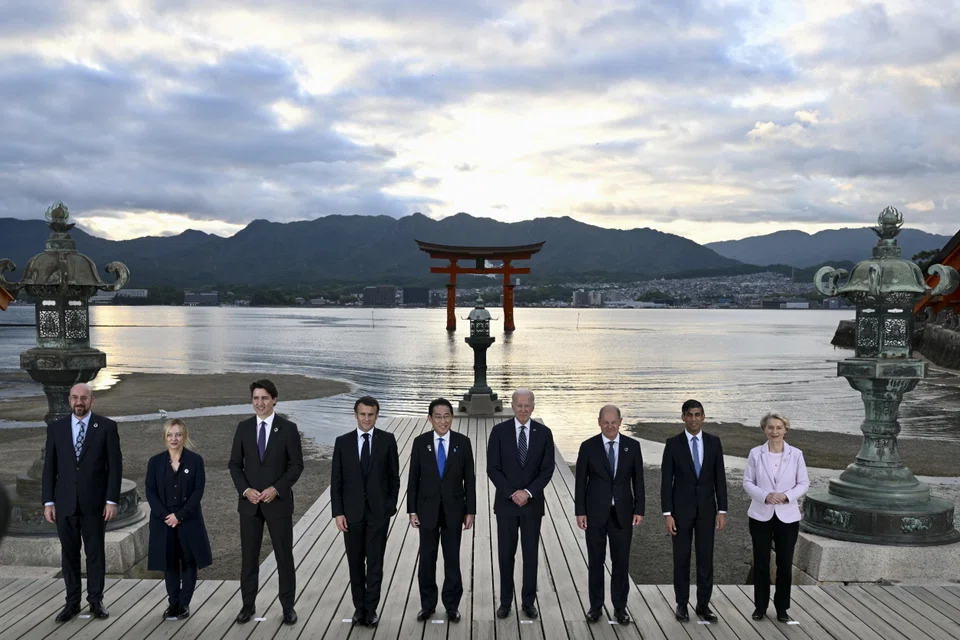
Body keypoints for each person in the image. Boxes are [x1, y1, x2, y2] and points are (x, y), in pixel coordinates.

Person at [41, 382, 122, 623]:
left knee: (95, 553)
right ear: (69, 400)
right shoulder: (56, 429)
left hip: (95, 504)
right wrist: (48, 502)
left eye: (84, 398)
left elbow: (115, 468)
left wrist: (111, 500)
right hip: (64, 503)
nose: (79, 402)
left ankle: (96, 600)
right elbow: (49, 469)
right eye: (75, 398)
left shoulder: (106, 427)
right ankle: (72, 602)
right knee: (69, 554)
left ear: (91, 400)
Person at [229, 379, 304, 625]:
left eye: (264, 398)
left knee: (284, 557)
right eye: (255, 398)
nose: (259, 403)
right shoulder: (243, 428)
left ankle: (288, 607)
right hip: (249, 505)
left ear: (274, 399)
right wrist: (245, 490)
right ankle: (247, 606)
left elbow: (296, 466)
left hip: (278, 504)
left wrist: (277, 489)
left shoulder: (288, 429)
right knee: (249, 558)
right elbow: (234, 465)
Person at [331, 396, 400, 627]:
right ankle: (359, 608)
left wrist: (390, 507)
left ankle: (371, 609)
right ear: (356, 415)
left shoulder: (388, 440)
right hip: (352, 515)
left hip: (379, 514)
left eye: (371, 414)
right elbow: (336, 481)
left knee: (375, 563)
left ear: (377, 415)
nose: (367, 419)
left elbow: (394, 478)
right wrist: (338, 512)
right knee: (355, 563)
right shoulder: (343, 442)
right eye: (363, 414)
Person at [487, 388, 555, 619]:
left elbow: (547, 469)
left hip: (532, 505)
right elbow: (492, 468)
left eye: (527, 405)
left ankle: (528, 602)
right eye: (519, 405)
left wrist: (527, 492)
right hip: (506, 505)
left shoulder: (544, 433)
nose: (523, 410)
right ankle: (505, 602)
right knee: (506, 555)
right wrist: (512, 493)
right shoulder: (498, 432)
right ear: (512, 406)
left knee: (530, 555)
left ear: (533, 406)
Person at [408, 398, 477, 623]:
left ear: (452, 417)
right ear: (430, 419)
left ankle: (451, 605)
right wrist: (412, 510)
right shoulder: (420, 443)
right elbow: (413, 480)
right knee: (427, 559)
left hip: (454, 511)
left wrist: (471, 511)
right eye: (437, 417)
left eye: (447, 416)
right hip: (426, 510)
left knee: (452, 560)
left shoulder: (463, 442)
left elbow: (470, 480)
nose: (443, 421)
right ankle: (427, 605)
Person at [575, 405, 645, 624]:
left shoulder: (632, 446)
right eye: (605, 422)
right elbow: (580, 482)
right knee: (595, 561)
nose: (610, 426)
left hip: (622, 514)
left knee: (621, 563)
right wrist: (580, 511)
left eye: (613, 422)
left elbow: (639, 481)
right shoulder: (588, 447)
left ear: (620, 422)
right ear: (599, 422)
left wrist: (639, 509)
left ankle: (620, 608)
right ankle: (595, 607)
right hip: (595, 513)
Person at [660, 399, 727, 623]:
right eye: (690, 414)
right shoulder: (673, 444)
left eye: (698, 414)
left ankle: (703, 604)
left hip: (707, 511)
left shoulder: (714, 442)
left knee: (705, 559)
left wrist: (722, 509)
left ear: (704, 417)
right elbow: (665, 482)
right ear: (683, 417)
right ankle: (681, 604)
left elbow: (720, 478)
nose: (694, 419)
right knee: (681, 558)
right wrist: (667, 514)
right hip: (680, 512)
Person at [743, 411, 809, 623]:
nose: (774, 431)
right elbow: (747, 482)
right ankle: (760, 607)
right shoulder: (755, 453)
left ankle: (782, 608)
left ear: (785, 430)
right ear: (764, 429)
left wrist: (786, 496)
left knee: (785, 564)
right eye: (770, 427)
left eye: (779, 428)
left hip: (788, 517)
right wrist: (765, 496)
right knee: (761, 563)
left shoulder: (796, 454)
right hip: (760, 515)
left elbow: (803, 483)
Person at [145, 419, 213, 620]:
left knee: (189, 561)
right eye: (170, 435)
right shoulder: (155, 462)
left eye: (178, 434)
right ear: (164, 437)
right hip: (163, 521)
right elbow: (150, 491)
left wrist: (179, 516)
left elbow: (198, 491)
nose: (174, 439)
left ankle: (184, 604)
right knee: (170, 563)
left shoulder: (195, 461)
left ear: (184, 436)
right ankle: (172, 603)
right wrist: (165, 516)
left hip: (188, 520)